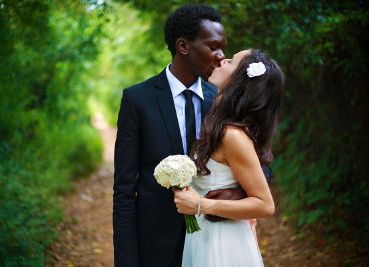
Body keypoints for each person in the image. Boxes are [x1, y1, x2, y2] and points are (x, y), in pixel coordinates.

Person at [113, 4, 227, 267]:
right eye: (213, 47)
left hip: (213, 239)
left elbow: (258, 167)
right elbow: (124, 190)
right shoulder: (137, 100)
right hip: (156, 245)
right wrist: (127, 261)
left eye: (223, 47)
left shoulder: (222, 101)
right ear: (183, 46)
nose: (222, 57)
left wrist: (230, 196)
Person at [174, 49, 285, 267]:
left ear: (241, 79)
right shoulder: (219, 124)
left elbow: (265, 205)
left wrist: (201, 205)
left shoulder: (232, 135)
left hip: (223, 241)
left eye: (231, 61)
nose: (222, 59)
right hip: (203, 236)